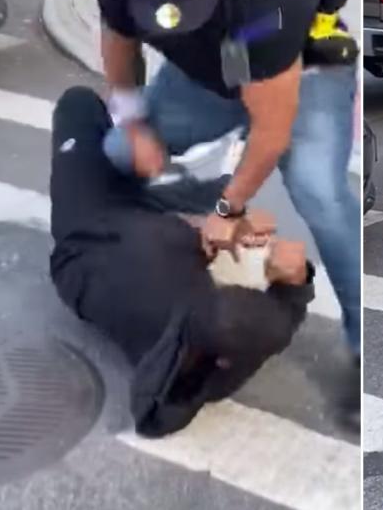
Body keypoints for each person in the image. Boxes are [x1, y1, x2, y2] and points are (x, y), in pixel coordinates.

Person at [94, 0, 360, 357]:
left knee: (319, 193)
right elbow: (119, 51)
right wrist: (134, 121)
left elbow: (271, 131)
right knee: (121, 148)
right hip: (205, 78)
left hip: (298, 75)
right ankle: (186, 227)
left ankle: (361, 342)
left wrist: (228, 208)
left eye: (187, 7)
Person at [48, 87, 318, 436]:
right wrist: (295, 275)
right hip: (160, 218)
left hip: (86, 227)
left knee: (78, 103)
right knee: (203, 166)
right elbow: (285, 309)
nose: (215, 286)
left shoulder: (173, 360)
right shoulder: (252, 330)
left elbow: (156, 417)